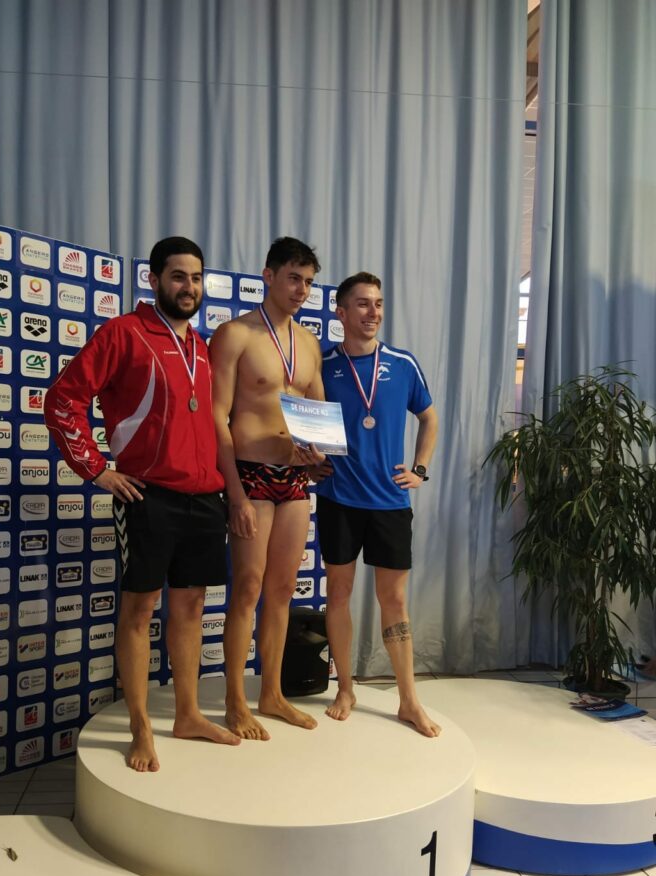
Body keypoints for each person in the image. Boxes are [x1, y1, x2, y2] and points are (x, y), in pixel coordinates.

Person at [44, 236, 240, 772]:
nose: (189, 287)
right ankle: (139, 726)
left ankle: (187, 714)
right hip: (148, 495)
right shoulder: (123, 333)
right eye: (178, 276)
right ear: (154, 280)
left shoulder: (203, 347)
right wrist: (96, 469)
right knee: (138, 611)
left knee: (192, 607)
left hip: (205, 496)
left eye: (196, 278)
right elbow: (62, 399)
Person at [315, 272, 441, 737]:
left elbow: (429, 418)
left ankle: (408, 699)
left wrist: (420, 469)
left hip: (389, 501)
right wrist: (310, 461)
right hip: (339, 499)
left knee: (395, 600)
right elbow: (303, 421)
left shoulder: (403, 364)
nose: (373, 313)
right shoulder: (323, 364)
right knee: (339, 595)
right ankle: (345, 688)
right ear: (341, 312)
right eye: (363, 304)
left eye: (379, 304)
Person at [210, 237, 325, 740]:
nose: (302, 289)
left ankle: (272, 693)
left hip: (294, 479)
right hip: (252, 474)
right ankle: (236, 701)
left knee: (281, 590)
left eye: (309, 282)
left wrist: (320, 456)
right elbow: (217, 416)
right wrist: (234, 493)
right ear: (269, 275)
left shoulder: (310, 344)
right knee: (248, 588)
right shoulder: (235, 334)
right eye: (294, 278)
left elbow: (317, 417)